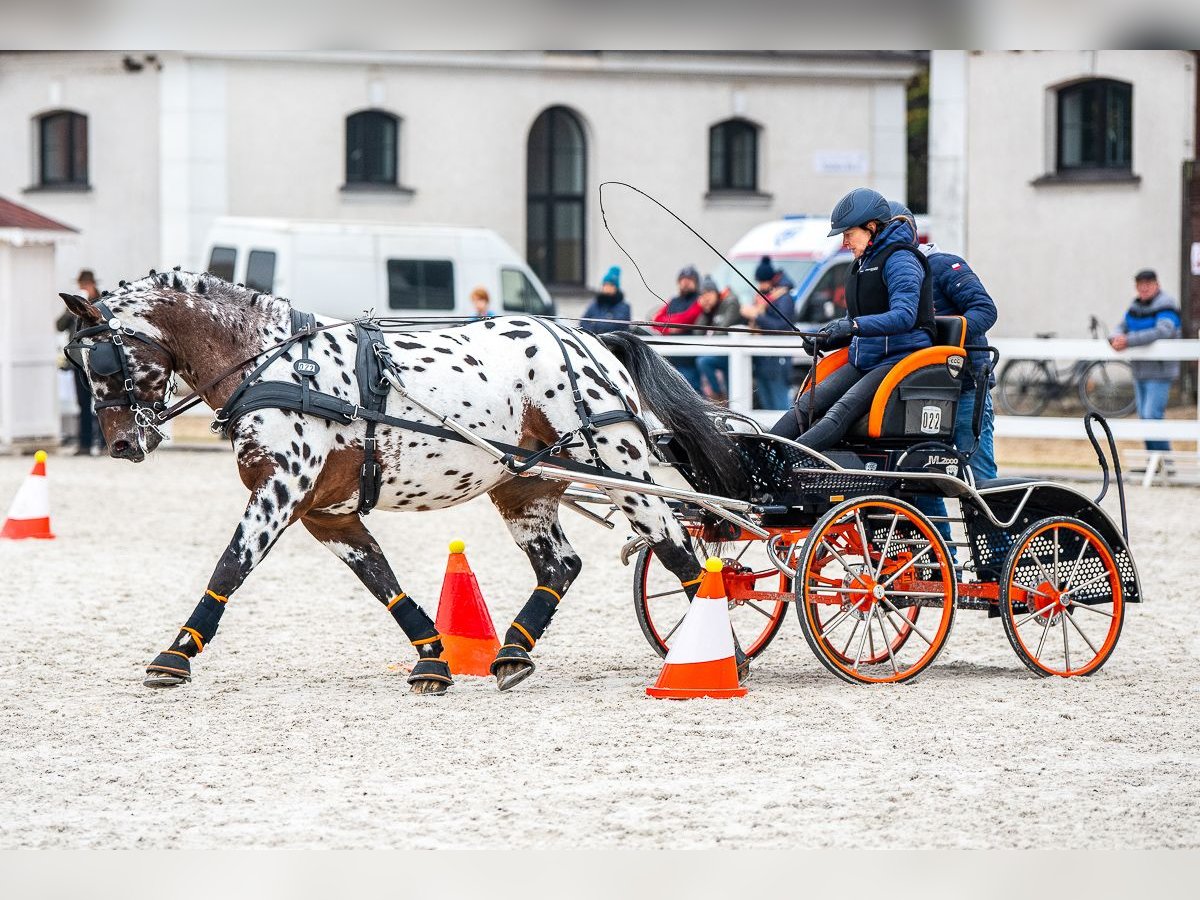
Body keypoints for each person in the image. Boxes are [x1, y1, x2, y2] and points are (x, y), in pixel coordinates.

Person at [770, 188, 933, 450]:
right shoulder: (861, 264)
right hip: (866, 357)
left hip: (898, 358)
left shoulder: (901, 260)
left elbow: (904, 316)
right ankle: (764, 452)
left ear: (871, 227)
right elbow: (854, 319)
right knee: (807, 404)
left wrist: (854, 326)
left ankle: (788, 461)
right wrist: (825, 339)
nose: (844, 242)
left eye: (848, 234)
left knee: (839, 412)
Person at [888, 201, 1000, 542]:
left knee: (980, 481)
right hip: (924, 394)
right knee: (924, 478)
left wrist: (940, 334)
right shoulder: (892, 276)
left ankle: (995, 566)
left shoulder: (943, 265)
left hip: (965, 388)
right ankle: (942, 565)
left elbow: (985, 309)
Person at [1109, 269, 1181, 453]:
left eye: (1148, 284)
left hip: (1159, 371)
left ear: (1157, 284)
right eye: (1140, 285)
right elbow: (1120, 326)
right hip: (1140, 369)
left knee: (1152, 416)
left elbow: (1163, 331)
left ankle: (1165, 462)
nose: (1144, 288)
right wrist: (1114, 338)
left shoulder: (1166, 305)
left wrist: (1128, 340)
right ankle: (1154, 462)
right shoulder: (1135, 307)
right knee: (1144, 418)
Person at [55, 269, 104, 456]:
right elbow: (59, 326)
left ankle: (103, 442)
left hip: (97, 359)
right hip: (79, 360)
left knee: (102, 401)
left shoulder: (100, 302)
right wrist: (71, 310)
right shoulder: (74, 305)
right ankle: (84, 443)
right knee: (83, 404)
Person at [741, 256, 796, 410]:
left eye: (761, 281)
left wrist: (756, 316)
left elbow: (781, 326)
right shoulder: (766, 298)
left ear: (770, 280)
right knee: (766, 404)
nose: (760, 285)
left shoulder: (785, 298)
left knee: (780, 404)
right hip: (763, 359)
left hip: (778, 359)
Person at [651, 265, 705, 392]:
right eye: (683, 279)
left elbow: (688, 318)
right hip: (671, 358)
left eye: (689, 279)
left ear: (696, 282)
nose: (685, 283)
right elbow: (656, 320)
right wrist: (671, 327)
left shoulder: (699, 300)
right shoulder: (674, 301)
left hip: (689, 358)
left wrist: (669, 322)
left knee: (692, 391)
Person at [694, 276, 744, 401]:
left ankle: (719, 396)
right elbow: (697, 333)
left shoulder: (730, 302)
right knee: (703, 362)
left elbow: (723, 330)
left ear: (716, 292)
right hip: (723, 353)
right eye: (703, 295)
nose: (706, 298)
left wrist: (710, 340)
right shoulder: (712, 310)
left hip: (734, 352)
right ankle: (720, 395)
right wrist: (706, 312)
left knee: (704, 361)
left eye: (708, 293)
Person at [580, 266, 631, 335]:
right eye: (605, 285)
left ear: (615, 287)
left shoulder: (624, 307)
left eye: (610, 285)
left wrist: (596, 325)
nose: (607, 287)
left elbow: (619, 326)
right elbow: (584, 322)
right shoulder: (595, 304)